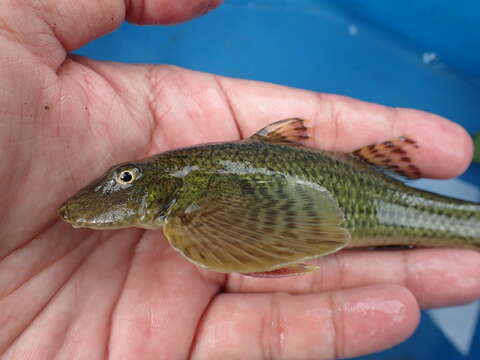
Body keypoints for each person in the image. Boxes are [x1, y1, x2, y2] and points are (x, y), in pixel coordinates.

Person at [0, 1, 478, 359]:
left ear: (161, 185)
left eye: (128, 176)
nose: (122, 183)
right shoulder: (187, 185)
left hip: (366, 195)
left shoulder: (197, 188)